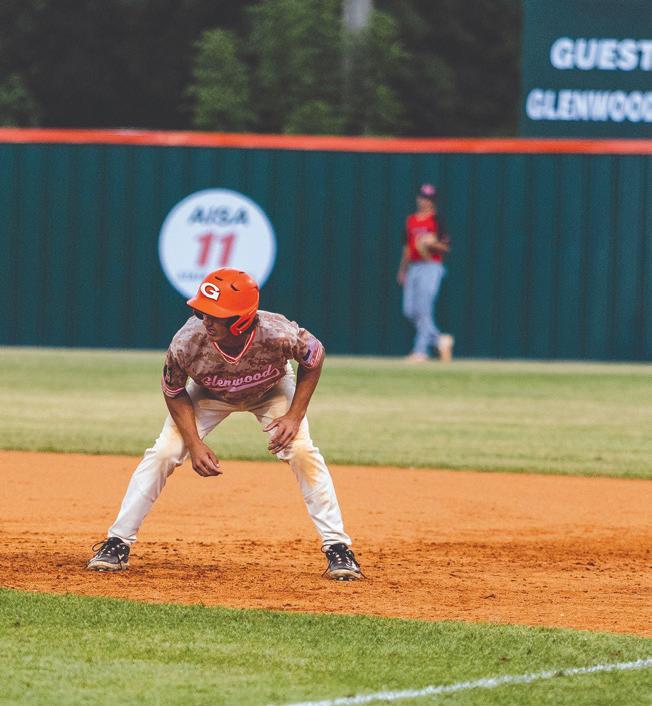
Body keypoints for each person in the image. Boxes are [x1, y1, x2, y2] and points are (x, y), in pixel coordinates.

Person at [87, 268, 362, 581]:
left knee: (301, 451)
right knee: (164, 452)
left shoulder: (277, 332)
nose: (206, 320)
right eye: (202, 312)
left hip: (270, 390)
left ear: (241, 320)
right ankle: (117, 541)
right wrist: (194, 443)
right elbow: (173, 390)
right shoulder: (187, 342)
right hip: (209, 393)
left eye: (215, 315)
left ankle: (338, 547)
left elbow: (314, 356)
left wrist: (294, 415)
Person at [396, 183, 454, 362]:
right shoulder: (411, 220)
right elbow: (407, 248)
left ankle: (420, 351)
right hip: (414, 267)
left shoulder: (436, 220)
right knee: (409, 310)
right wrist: (402, 270)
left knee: (424, 309)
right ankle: (439, 340)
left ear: (433, 201)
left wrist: (431, 243)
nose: (424, 201)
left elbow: (446, 246)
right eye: (422, 197)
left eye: (428, 199)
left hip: (431, 266)